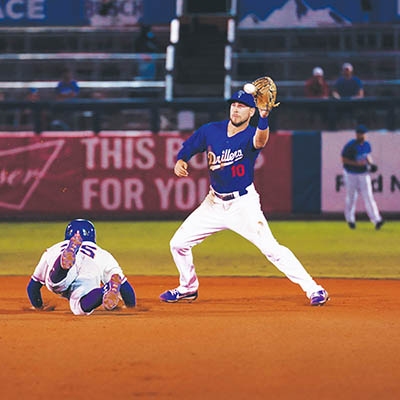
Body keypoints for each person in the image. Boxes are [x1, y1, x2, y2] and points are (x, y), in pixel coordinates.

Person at [159, 90, 329, 306]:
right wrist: (181, 160)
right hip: (213, 204)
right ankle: (188, 287)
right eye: (234, 105)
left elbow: (260, 140)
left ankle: (315, 289)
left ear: (251, 112)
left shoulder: (251, 134)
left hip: (242, 205)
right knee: (178, 244)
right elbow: (190, 145)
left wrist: (265, 118)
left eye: (242, 106)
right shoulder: (212, 130)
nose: (236, 109)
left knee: (271, 249)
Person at [27, 219, 136, 315]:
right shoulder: (103, 254)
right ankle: (105, 289)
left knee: (55, 283)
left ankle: (63, 264)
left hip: (63, 263)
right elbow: (124, 286)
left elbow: (33, 287)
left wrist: (38, 306)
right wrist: (130, 306)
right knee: (79, 308)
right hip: (90, 269)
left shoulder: (53, 249)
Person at [341, 125, 384, 230]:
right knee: (351, 197)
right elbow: (344, 160)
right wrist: (356, 164)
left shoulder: (367, 145)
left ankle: (376, 220)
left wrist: (371, 163)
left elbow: (366, 156)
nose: (363, 135)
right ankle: (350, 219)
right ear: (357, 134)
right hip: (351, 173)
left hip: (363, 173)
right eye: (360, 133)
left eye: (364, 133)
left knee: (368, 196)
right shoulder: (350, 146)